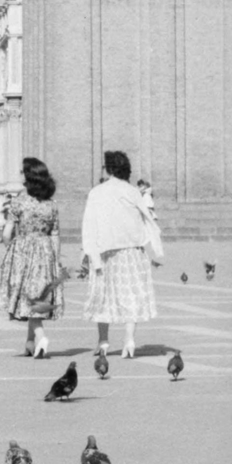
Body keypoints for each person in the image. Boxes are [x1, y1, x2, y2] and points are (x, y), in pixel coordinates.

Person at [80, 149, 159, 358]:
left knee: (102, 295)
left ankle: (103, 341)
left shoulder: (97, 192)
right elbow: (145, 219)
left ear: (109, 169)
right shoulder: (132, 191)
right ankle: (129, 340)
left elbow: (89, 224)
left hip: (104, 251)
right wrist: (151, 248)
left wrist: (87, 251)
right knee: (130, 295)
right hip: (131, 252)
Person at [0, 157, 64, 357]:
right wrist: (56, 259)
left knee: (29, 298)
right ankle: (29, 342)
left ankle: (41, 337)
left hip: (24, 251)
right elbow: (55, 235)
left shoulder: (19, 202)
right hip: (46, 251)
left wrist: (12, 247)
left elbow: (7, 234)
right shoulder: (51, 205)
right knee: (37, 294)